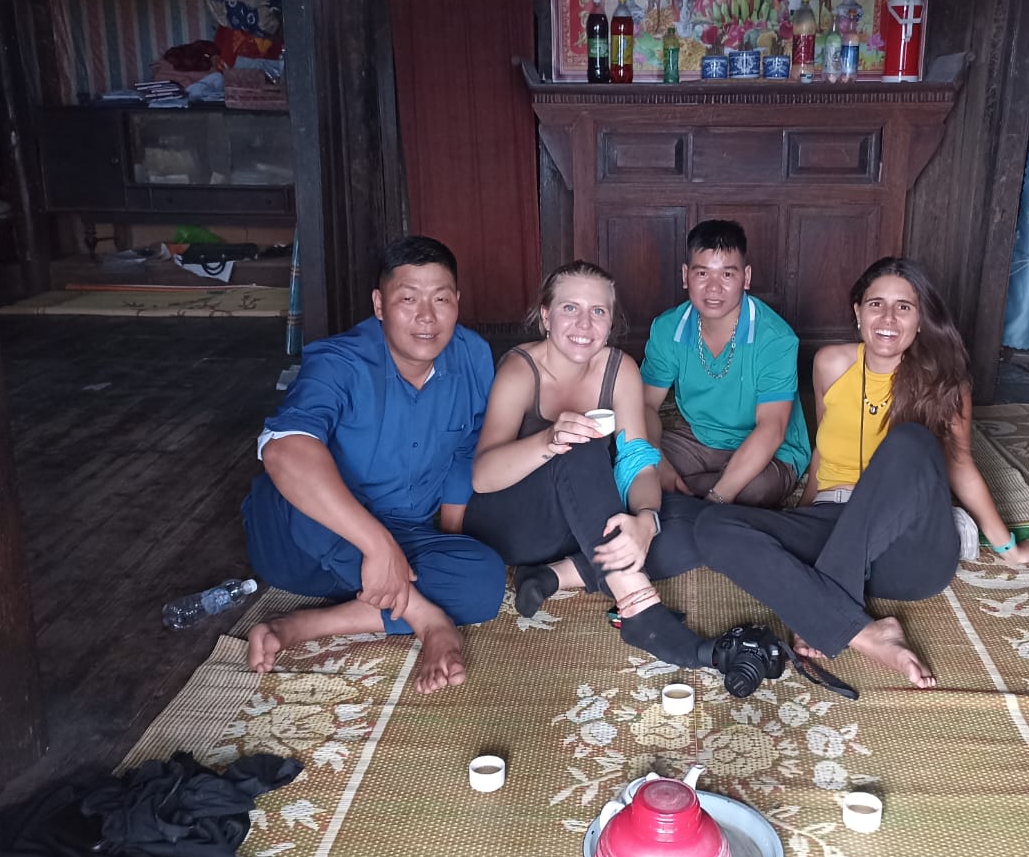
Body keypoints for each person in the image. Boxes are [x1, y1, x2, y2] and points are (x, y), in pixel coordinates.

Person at [695, 257, 1029, 688]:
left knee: (910, 442)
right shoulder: (831, 364)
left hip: (909, 554)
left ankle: (819, 609)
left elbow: (961, 465)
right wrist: (801, 519)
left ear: (920, 321)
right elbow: (823, 452)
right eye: (876, 304)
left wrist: (1009, 548)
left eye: (904, 307)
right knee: (711, 525)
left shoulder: (945, 384)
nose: (887, 318)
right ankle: (864, 632)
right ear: (858, 312)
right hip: (833, 525)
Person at [240, 236, 506, 694]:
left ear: (457, 302)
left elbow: (468, 447)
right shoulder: (340, 360)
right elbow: (284, 450)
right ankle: (427, 618)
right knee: (295, 488)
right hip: (305, 547)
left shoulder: (472, 356)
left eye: (441, 299)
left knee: (484, 578)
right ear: (380, 305)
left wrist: (448, 540)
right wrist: (377, 547)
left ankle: (306, 624)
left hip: (403, 539)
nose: (427, 316)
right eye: (408, 299)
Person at [464, 262, 710, 669]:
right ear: (546, 316)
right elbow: (482, 477)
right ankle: (641, 611)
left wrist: (646, 520)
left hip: (583, 520)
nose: (584, 324)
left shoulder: (620, 368)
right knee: (581, 446)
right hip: (517, 524)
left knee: (698, 523)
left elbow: (636, 460)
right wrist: (549, 440)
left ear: (611, 322)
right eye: (569, 308)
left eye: (598, 311)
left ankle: (554, 575)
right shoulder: (520, 370)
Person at [642, 220, 811, 508]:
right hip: (698, 438)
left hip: (769, 450)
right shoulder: (668, 327)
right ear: (685, 276)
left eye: (727, 274)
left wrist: (718, 497)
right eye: (702, 273)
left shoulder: (775, 338)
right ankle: (689, 494)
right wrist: (656, 460)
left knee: (756, 490)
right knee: (630, 460)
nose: (713, 288)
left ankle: (686, 499)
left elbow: (772, 427)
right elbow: (644, 405)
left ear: (746, 277)